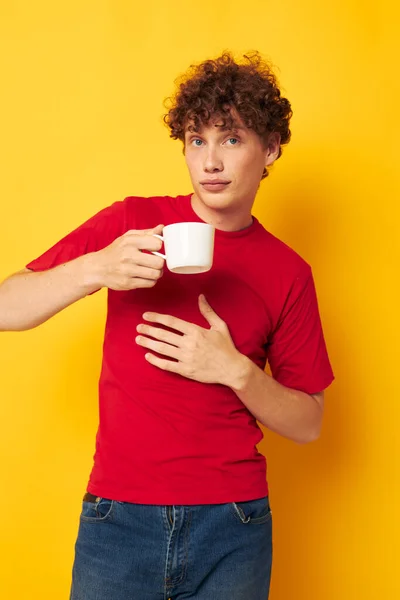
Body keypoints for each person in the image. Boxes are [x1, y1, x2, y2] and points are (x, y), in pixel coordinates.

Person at [0, 51, 334, 600]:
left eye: (230, 139)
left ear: (270, 149)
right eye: (196, 140)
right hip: (118, 519)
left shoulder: (288, 272)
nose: (210, 162)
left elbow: (309, 423)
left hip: (234, 525)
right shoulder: (130, 223)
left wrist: (234, 371)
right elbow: (9, 307)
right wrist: (94, 268)